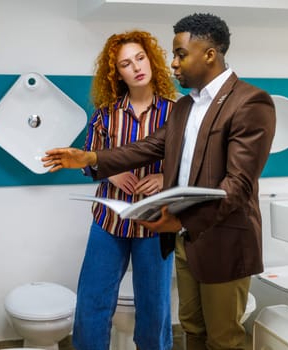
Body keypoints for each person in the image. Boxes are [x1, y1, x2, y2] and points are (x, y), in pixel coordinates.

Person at [42, 13, 276, 350]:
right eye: (173, 54)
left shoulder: (248, 101)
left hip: (211, 236)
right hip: (177, 235)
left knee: (217, 337)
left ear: (209, 54)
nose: (173, 63)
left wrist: (175, 211)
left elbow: (236, 187)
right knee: (193, 330)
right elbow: (148, 147)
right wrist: (93, 159)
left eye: (180, 54)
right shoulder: (185, 107)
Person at [70, 30, 178, 350]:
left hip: (156, 223)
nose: (136, 67)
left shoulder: (177, 114)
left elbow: (194, 165)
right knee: (92, 303)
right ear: (117, 73)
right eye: (126, 64)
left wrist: (165, 179)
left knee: (154, 310)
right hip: (109, 222)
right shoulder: (106, 114)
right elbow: (87, 162)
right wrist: (110, 170)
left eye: (140, 58)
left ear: (151, 60)